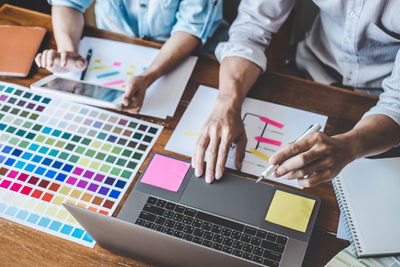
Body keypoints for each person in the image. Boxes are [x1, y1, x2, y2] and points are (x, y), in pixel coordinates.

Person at [192, 0, 400, 187]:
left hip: (380, 104)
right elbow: (251, 28)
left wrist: (350, 147)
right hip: (309, 72)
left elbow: (396, 103)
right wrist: (227, 102)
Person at [35, 0, 222, 113]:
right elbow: (69, 4)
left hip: (190, 57)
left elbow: (190, 29)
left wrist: (149, 76)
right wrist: (69, 51)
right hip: (111, 49)